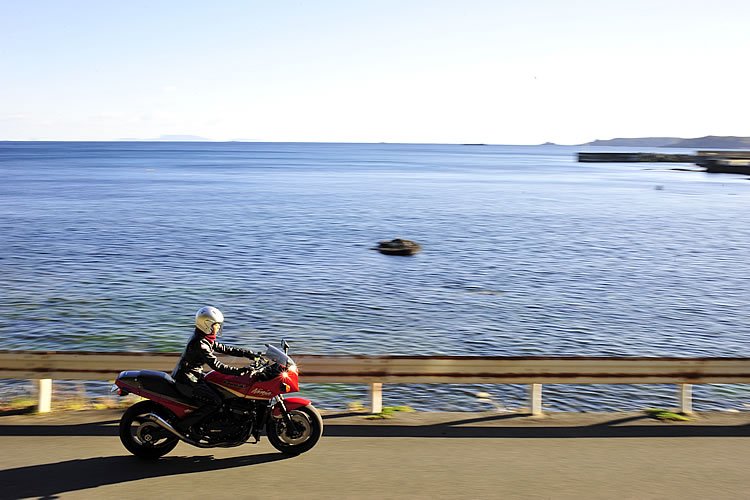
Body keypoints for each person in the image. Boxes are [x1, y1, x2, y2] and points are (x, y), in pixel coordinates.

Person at [172, 306, 256, 435]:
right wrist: (240, 372)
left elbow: (224, 348)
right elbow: (217, 366)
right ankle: (181, 427)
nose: (218, 328)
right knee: (215, 402)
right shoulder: (201, 344)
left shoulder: (204, 338)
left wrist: (248, 353)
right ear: (208, 325)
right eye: (216, 325)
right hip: (188, 379)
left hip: (192, 375)